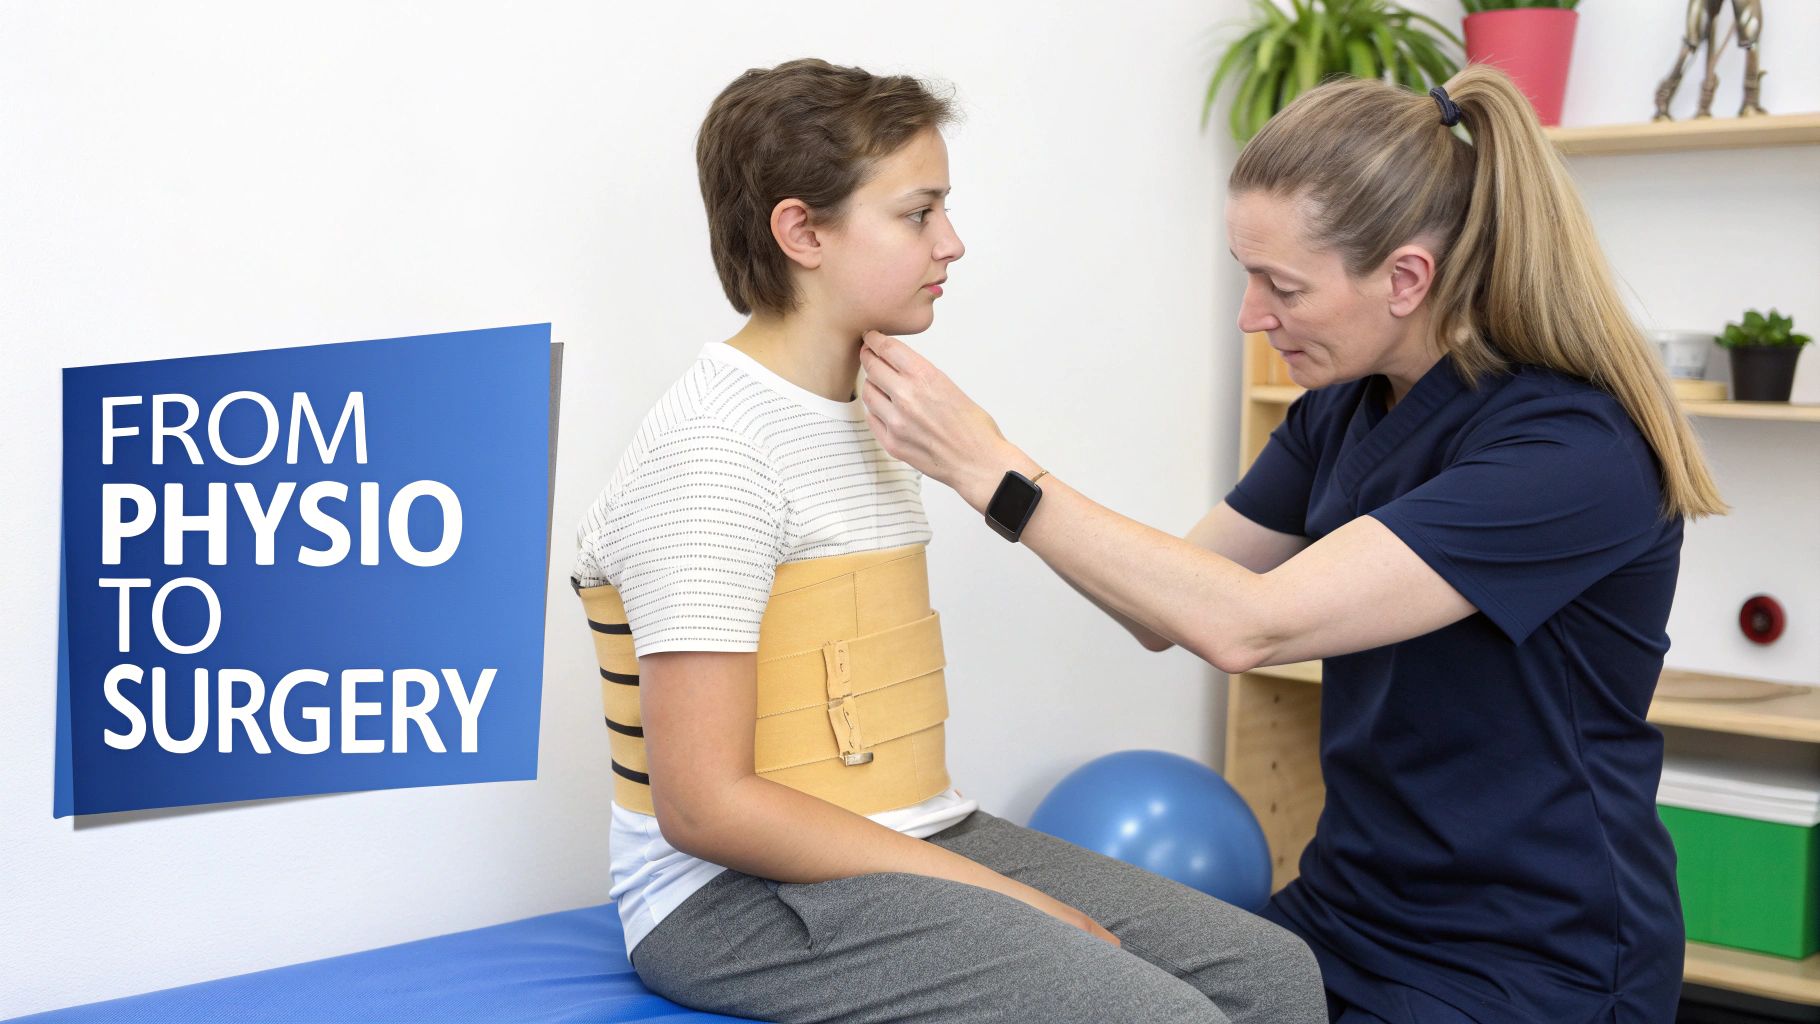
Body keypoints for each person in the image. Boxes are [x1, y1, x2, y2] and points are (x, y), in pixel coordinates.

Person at [857, 64, 1723, 1024]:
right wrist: (982, 483)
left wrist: (995, 473)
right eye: (1246, 275)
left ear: (1406, 278)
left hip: (1528, 957)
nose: (1251, 316)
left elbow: (1250, 627)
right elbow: (1170, 612)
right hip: (1353, 911)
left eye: (1283, 286)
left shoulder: (1570, 451)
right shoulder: (1346, 408)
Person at [570, 58, 1326, 1024]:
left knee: (1272, 974)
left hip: (918, 833)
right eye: (919, 213)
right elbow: (705, 807)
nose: (953, 242)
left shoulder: (874, 408)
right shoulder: (714, 452)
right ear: (802, 231)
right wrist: (1012, 898)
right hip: (729, 901)